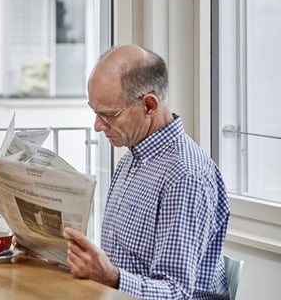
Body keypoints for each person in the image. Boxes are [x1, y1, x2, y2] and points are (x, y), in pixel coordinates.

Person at [63, 44, 230, 299]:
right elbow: (125, 260)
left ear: (149, 106)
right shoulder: (133, 156)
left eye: (108, 115)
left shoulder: (184, 176)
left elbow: (177, 292)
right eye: (95, 112)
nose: (97, 126)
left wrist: (112, 277)